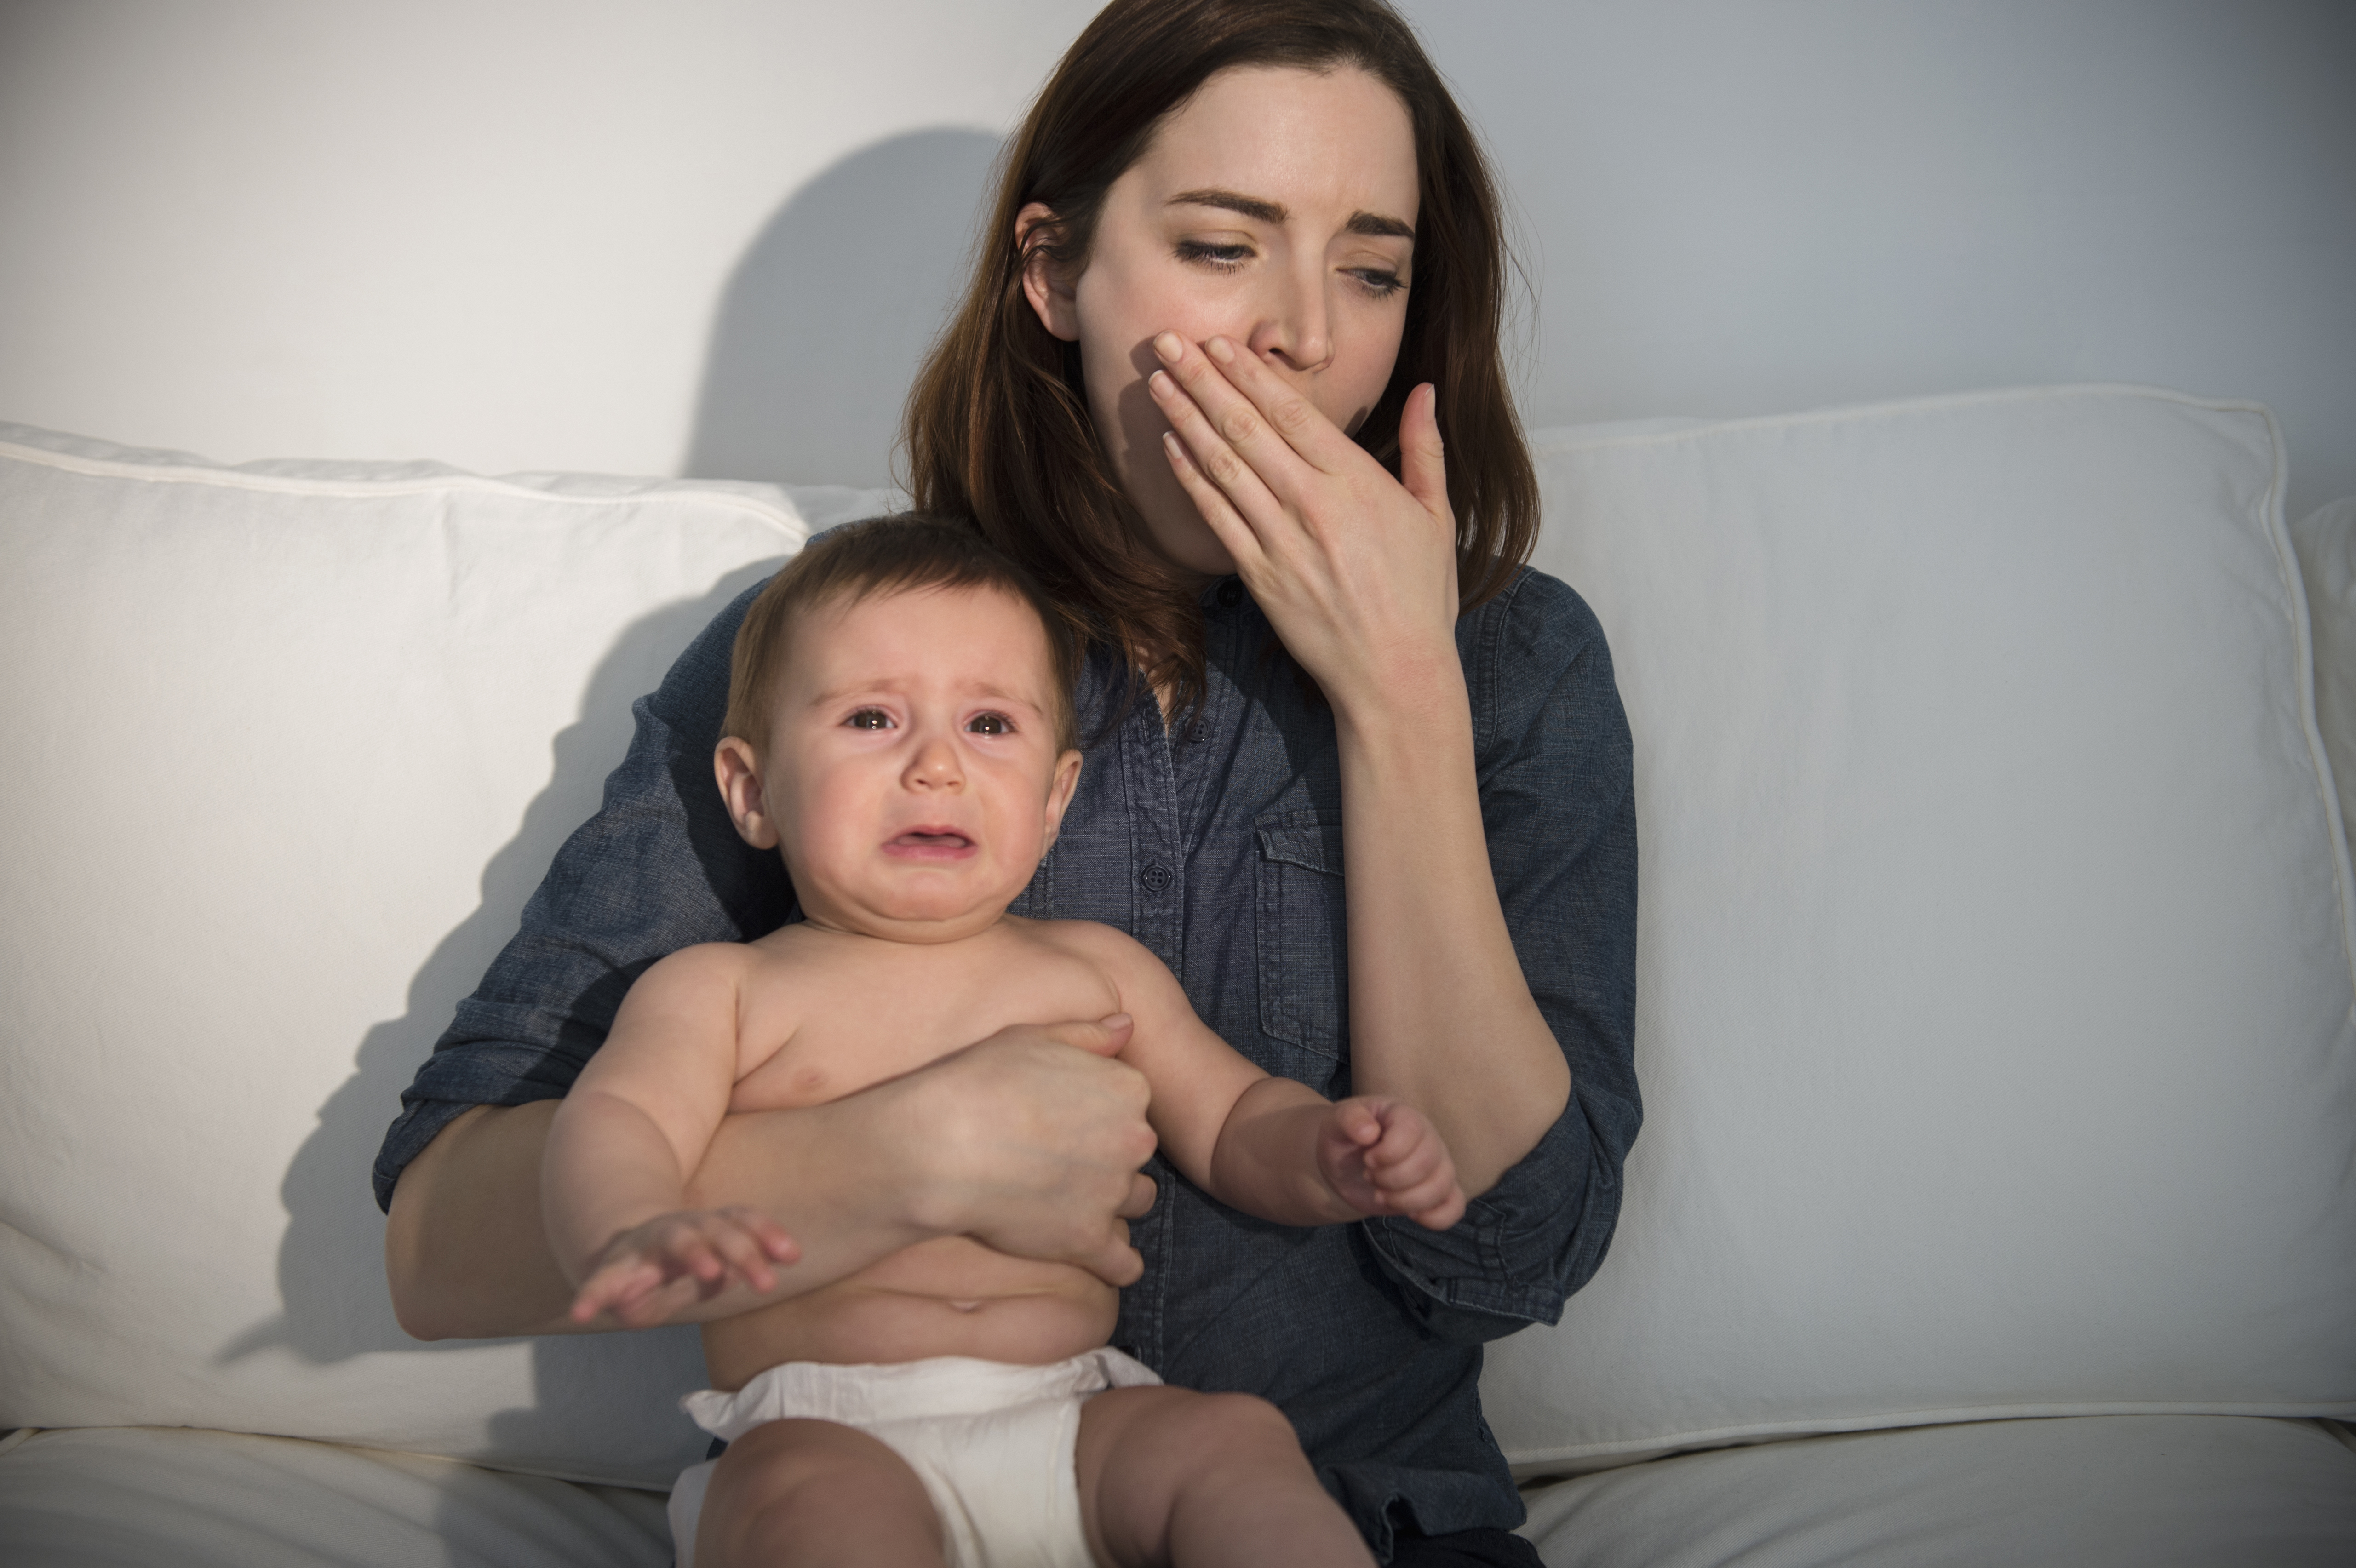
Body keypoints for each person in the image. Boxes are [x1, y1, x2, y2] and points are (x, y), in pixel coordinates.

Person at [377, 2, 1640, 1563]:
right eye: (1222, 246)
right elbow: (436, 1248)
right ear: (1054, 273)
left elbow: (1509, 1261)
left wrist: (1401, 696)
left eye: (1371, 269)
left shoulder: (1514, 667)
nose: (1306, 335)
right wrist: (901, 1157)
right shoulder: (859, 659)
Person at [547, 515, 1464, 1567]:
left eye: (988, 726)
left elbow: (1233, 1118)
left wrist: (1329, 1148)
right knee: (809, 1508)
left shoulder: (1093, 970)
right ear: (753, 792)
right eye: (871, 718)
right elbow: (616, 1117)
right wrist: (627, 1224)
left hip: (1073, 1416)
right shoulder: (725, 990)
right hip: (826, 1428)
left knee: (1231, 1439)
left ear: (1057, 795)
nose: (937, 766)